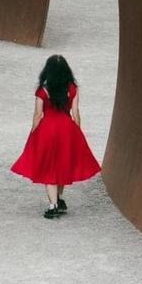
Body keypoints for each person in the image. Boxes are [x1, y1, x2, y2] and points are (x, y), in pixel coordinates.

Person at [11, 54, 101, 219]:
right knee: (62, 165)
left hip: (48, 130)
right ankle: (59, 199)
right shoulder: (72, 89)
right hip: (67, 129)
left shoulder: (43, 90)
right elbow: (76, 112)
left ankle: (52, 205)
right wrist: (77, 132)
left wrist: (33, 132)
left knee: (48, 167)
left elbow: (38, 114)